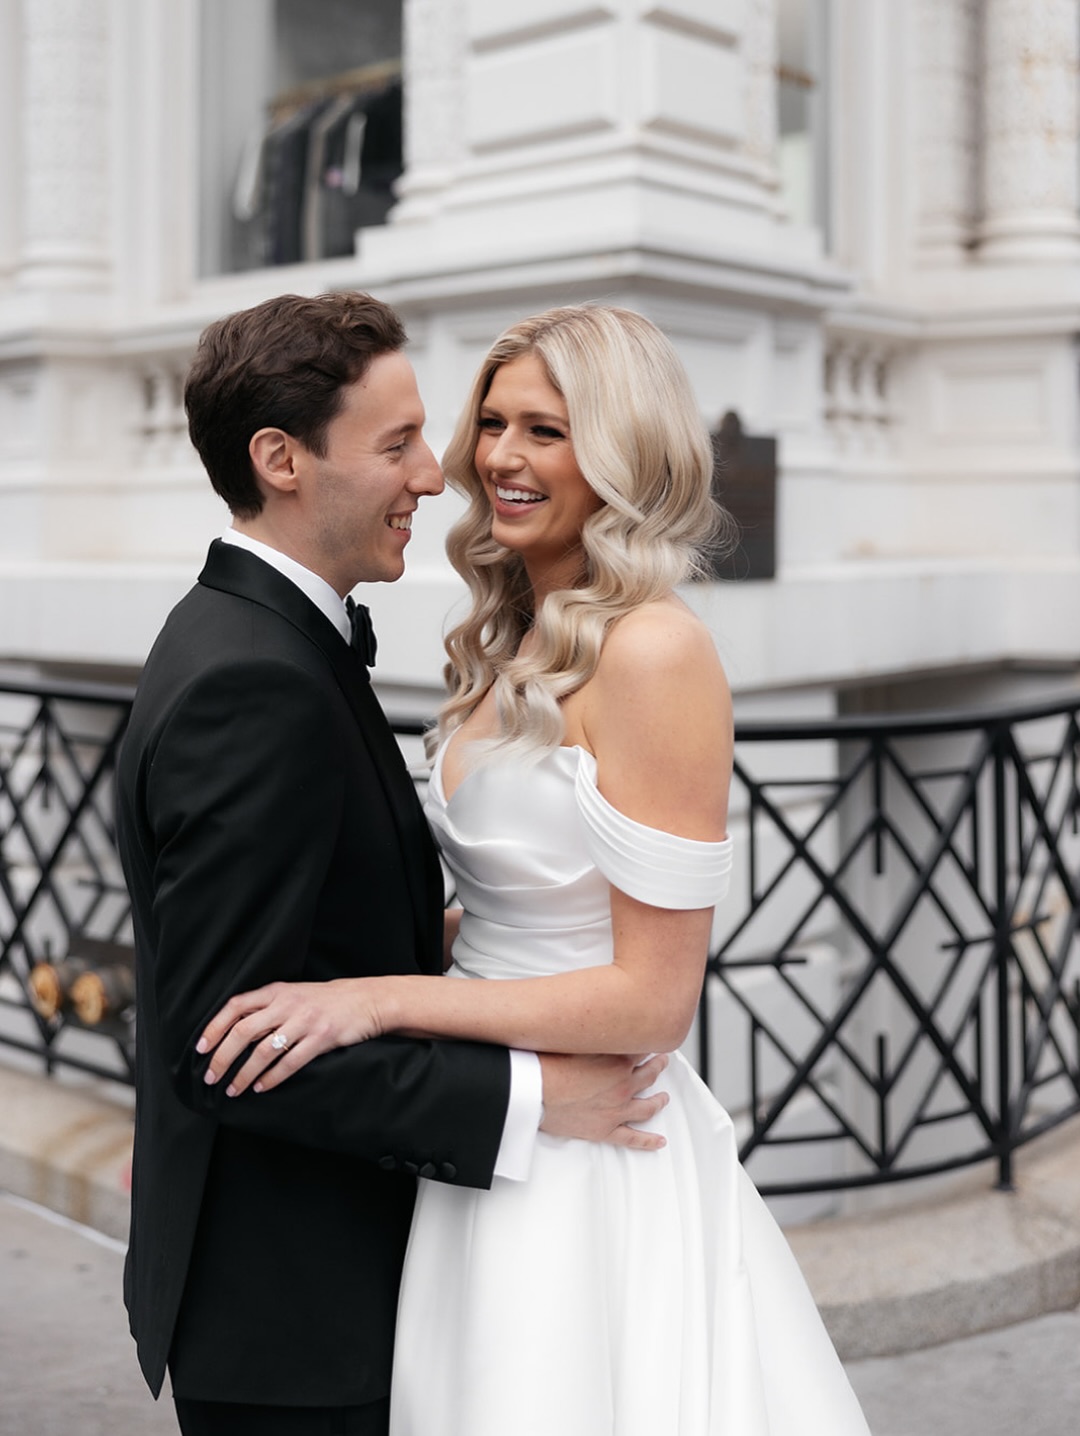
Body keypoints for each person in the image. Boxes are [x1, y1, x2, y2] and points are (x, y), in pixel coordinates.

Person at [200, 305, 872, 1434]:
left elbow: (655, 997)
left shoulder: (654, 650)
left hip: (587, 1154)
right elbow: (526, 893)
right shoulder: (513, 629)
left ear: (621, 451)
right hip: (488, 1134)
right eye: (495, 423)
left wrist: (375, 999)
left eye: (548, 431)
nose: (502, 458)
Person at [114, 291, 672, 1436]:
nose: (440, 472)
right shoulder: (253, 683)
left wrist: (479, 939)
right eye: (397, 442)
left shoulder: (262, 637)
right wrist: (532, 1094)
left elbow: (311, 924)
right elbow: (227, 1044)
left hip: (340, 1281)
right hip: (295, 1314)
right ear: (280, 460)